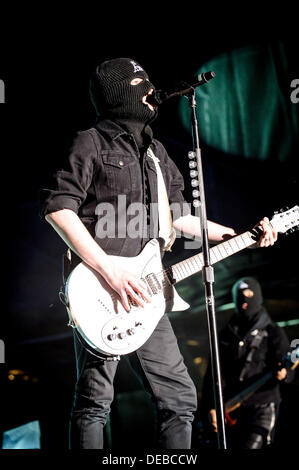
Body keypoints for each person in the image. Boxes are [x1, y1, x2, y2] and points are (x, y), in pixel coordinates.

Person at [40, 58, 277, 449]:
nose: (149, 87)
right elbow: (58, 208)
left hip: (149, 295)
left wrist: (240, 235)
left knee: (180, 399)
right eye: (139, 81)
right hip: (101, 290)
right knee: (95, 403)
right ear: (119, 92)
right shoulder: (90, 142)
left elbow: (180, 218)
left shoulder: (156, 153)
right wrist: (109, 271)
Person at [201, 277, 292, 449]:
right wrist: (211, 406)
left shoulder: (273, 332)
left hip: (263, 406)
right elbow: (212, 375)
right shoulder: (224, 335)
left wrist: (285, 373)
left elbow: (287, 362)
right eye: (240, 295)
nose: (245, 300)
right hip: (233, 409)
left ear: (257, 296)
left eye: (249, 294)